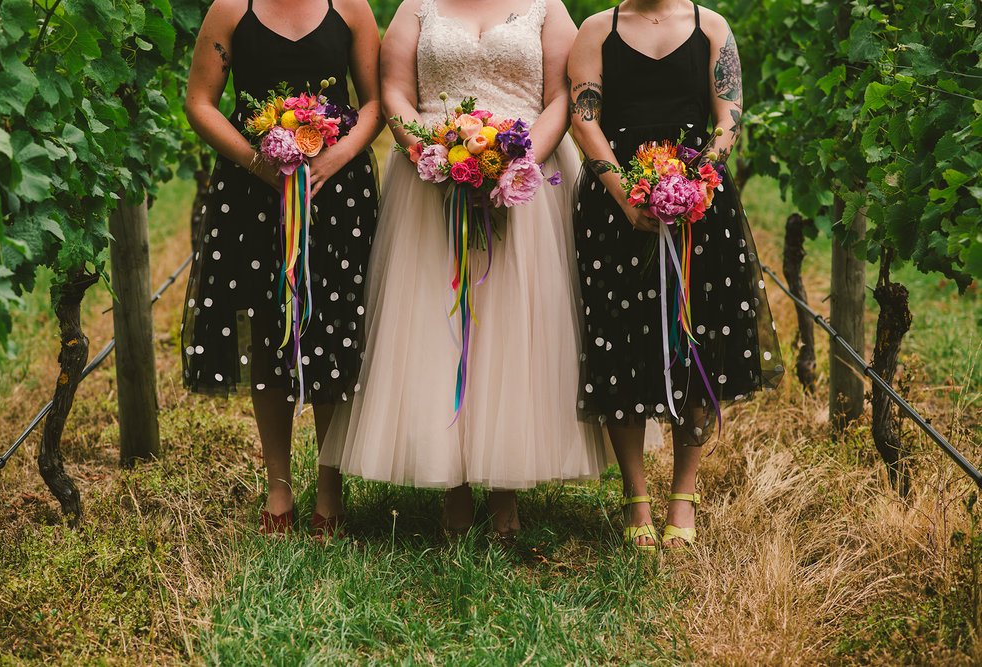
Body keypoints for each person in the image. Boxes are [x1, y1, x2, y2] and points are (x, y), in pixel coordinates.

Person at [322, 0, 605, 538]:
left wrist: (516, 163)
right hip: (431, 182)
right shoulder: (417, 7)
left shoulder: (547, 8)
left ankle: (505, 488)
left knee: (514, 324)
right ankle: (452, 485)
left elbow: (560, 98)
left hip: (526, 181)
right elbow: (396, 94)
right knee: (439, 320)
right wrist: (433, 153)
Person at [569, 0, 783, 551]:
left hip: (701, 213)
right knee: (617, 340)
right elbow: (584, 116)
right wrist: (622, 193)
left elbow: (728, 115)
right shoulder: (597, 30)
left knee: (700, 343)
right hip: (616, 210)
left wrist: (698, 186)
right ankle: (636, 495)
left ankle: (682, 495)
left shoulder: (712, 28)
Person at [182, 0, 384, 535]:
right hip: (252, 193)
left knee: (334, 326)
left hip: (338, 192)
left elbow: (375, 103)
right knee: (268, 325)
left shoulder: (352, 9)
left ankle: (329, 483)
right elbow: (200, 102)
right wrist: (258, 162)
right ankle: (278, 484)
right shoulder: (230, 9)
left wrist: (335, 159)